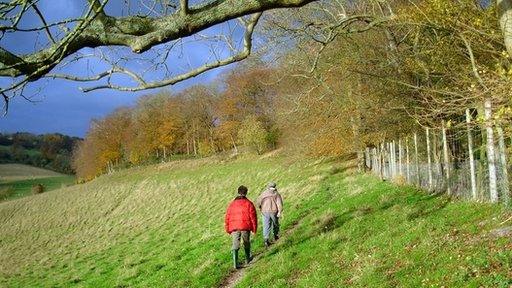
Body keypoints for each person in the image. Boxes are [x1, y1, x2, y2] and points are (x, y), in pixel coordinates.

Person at [224, 185, 257, 269]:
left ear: (238, 192)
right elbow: (253, 217)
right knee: (246, 242)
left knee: (235, 244)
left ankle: (235, 263)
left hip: (234, 227)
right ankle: (247, 259)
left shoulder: (232, 204)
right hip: (245, 226)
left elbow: (227, 217)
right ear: (246, 193)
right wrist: (254, 228)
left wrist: (227, 229)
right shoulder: (249, 203)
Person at [256, 182, 283, 247]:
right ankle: (275, 235)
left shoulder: (263, 193)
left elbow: (258, 202)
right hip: (274, 211)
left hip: (264, 211)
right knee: (275, 224)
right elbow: (279, 204)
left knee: (266, 225)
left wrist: (260, 208)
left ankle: (266, 239)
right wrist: (279, 212)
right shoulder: (276, 194)